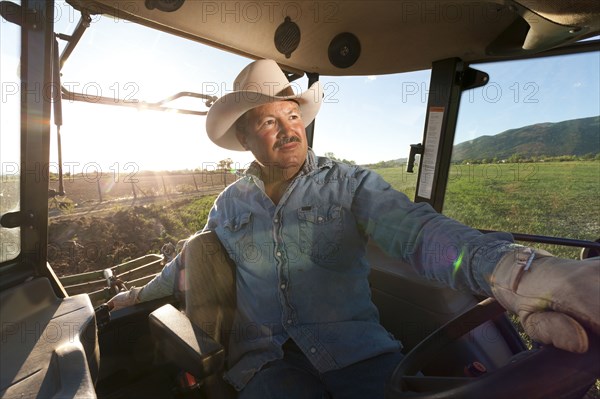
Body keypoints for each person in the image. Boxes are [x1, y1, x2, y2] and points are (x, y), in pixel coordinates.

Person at [109, 59, 599, 398]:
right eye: (269, 121)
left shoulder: (349, 184)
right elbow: (188, 264)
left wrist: (515, 271)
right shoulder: (229, 203)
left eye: (293, 114)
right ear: (243, 137)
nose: (289, 129)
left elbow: (418, 232)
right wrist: (134, 297)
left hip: (360, 358)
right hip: (266, 365)